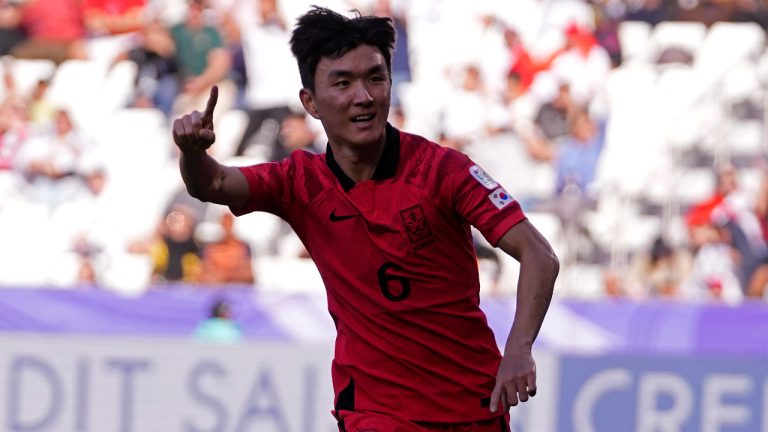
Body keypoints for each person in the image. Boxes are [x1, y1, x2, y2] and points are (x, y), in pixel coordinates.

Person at [172, 6, 559, 430]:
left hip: (471, 405)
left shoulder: (443, 170)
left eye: (376, 78)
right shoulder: (300, 182)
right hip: (374, 411)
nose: (364, 96)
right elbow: (212, 183)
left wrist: (519, 347)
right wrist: (193, 153)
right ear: (310, 102)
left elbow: (539, 254)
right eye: (343, 83)